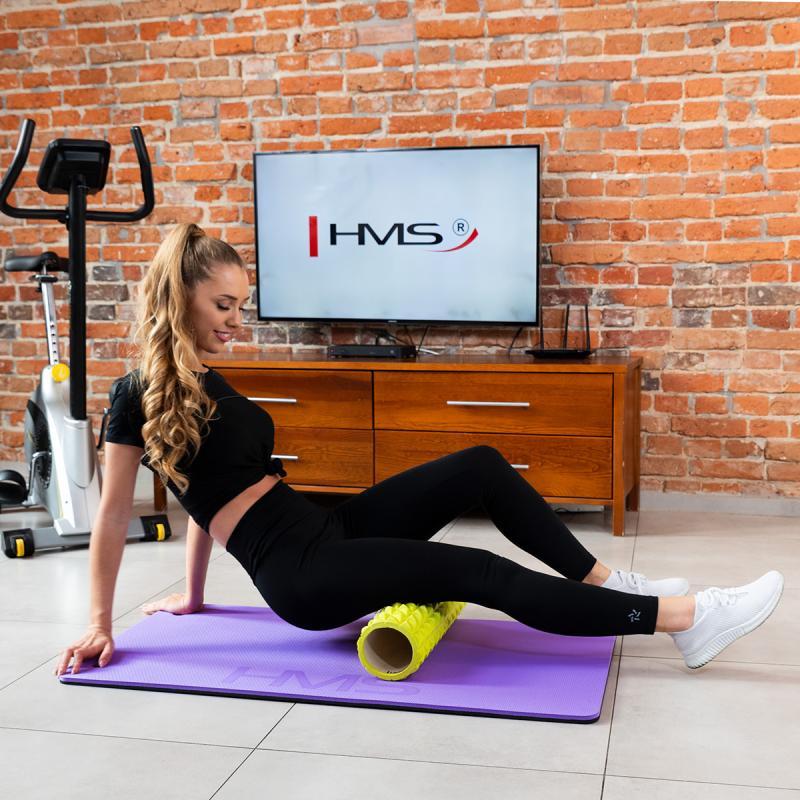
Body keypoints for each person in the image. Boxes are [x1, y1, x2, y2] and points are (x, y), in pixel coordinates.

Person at [54, 223, 784, 679]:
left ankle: (611, 581)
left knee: (480, 465)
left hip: (325, 528)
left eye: (241, 305)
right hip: (301, 573)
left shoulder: (209, 380)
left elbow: (206, 494)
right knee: (477, 569)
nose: (237, 321)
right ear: (178, 296)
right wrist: (99, 623)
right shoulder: (136, 393)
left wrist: (195, 596)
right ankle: (686, 619)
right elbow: (114, 515)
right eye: (224, 305)